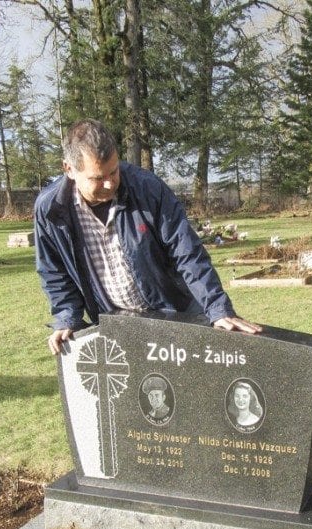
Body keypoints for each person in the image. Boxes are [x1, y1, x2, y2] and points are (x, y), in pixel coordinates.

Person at [34, 119, 261, 354]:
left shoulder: (147, 188)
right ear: (69, 169)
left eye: (114, 171)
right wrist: (67, 318)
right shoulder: (50, 209)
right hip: (115, 325)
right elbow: (53, 271)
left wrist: (216, 307)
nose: (110, 183)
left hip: (175, 311)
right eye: (98, 177)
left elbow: (186, 252)